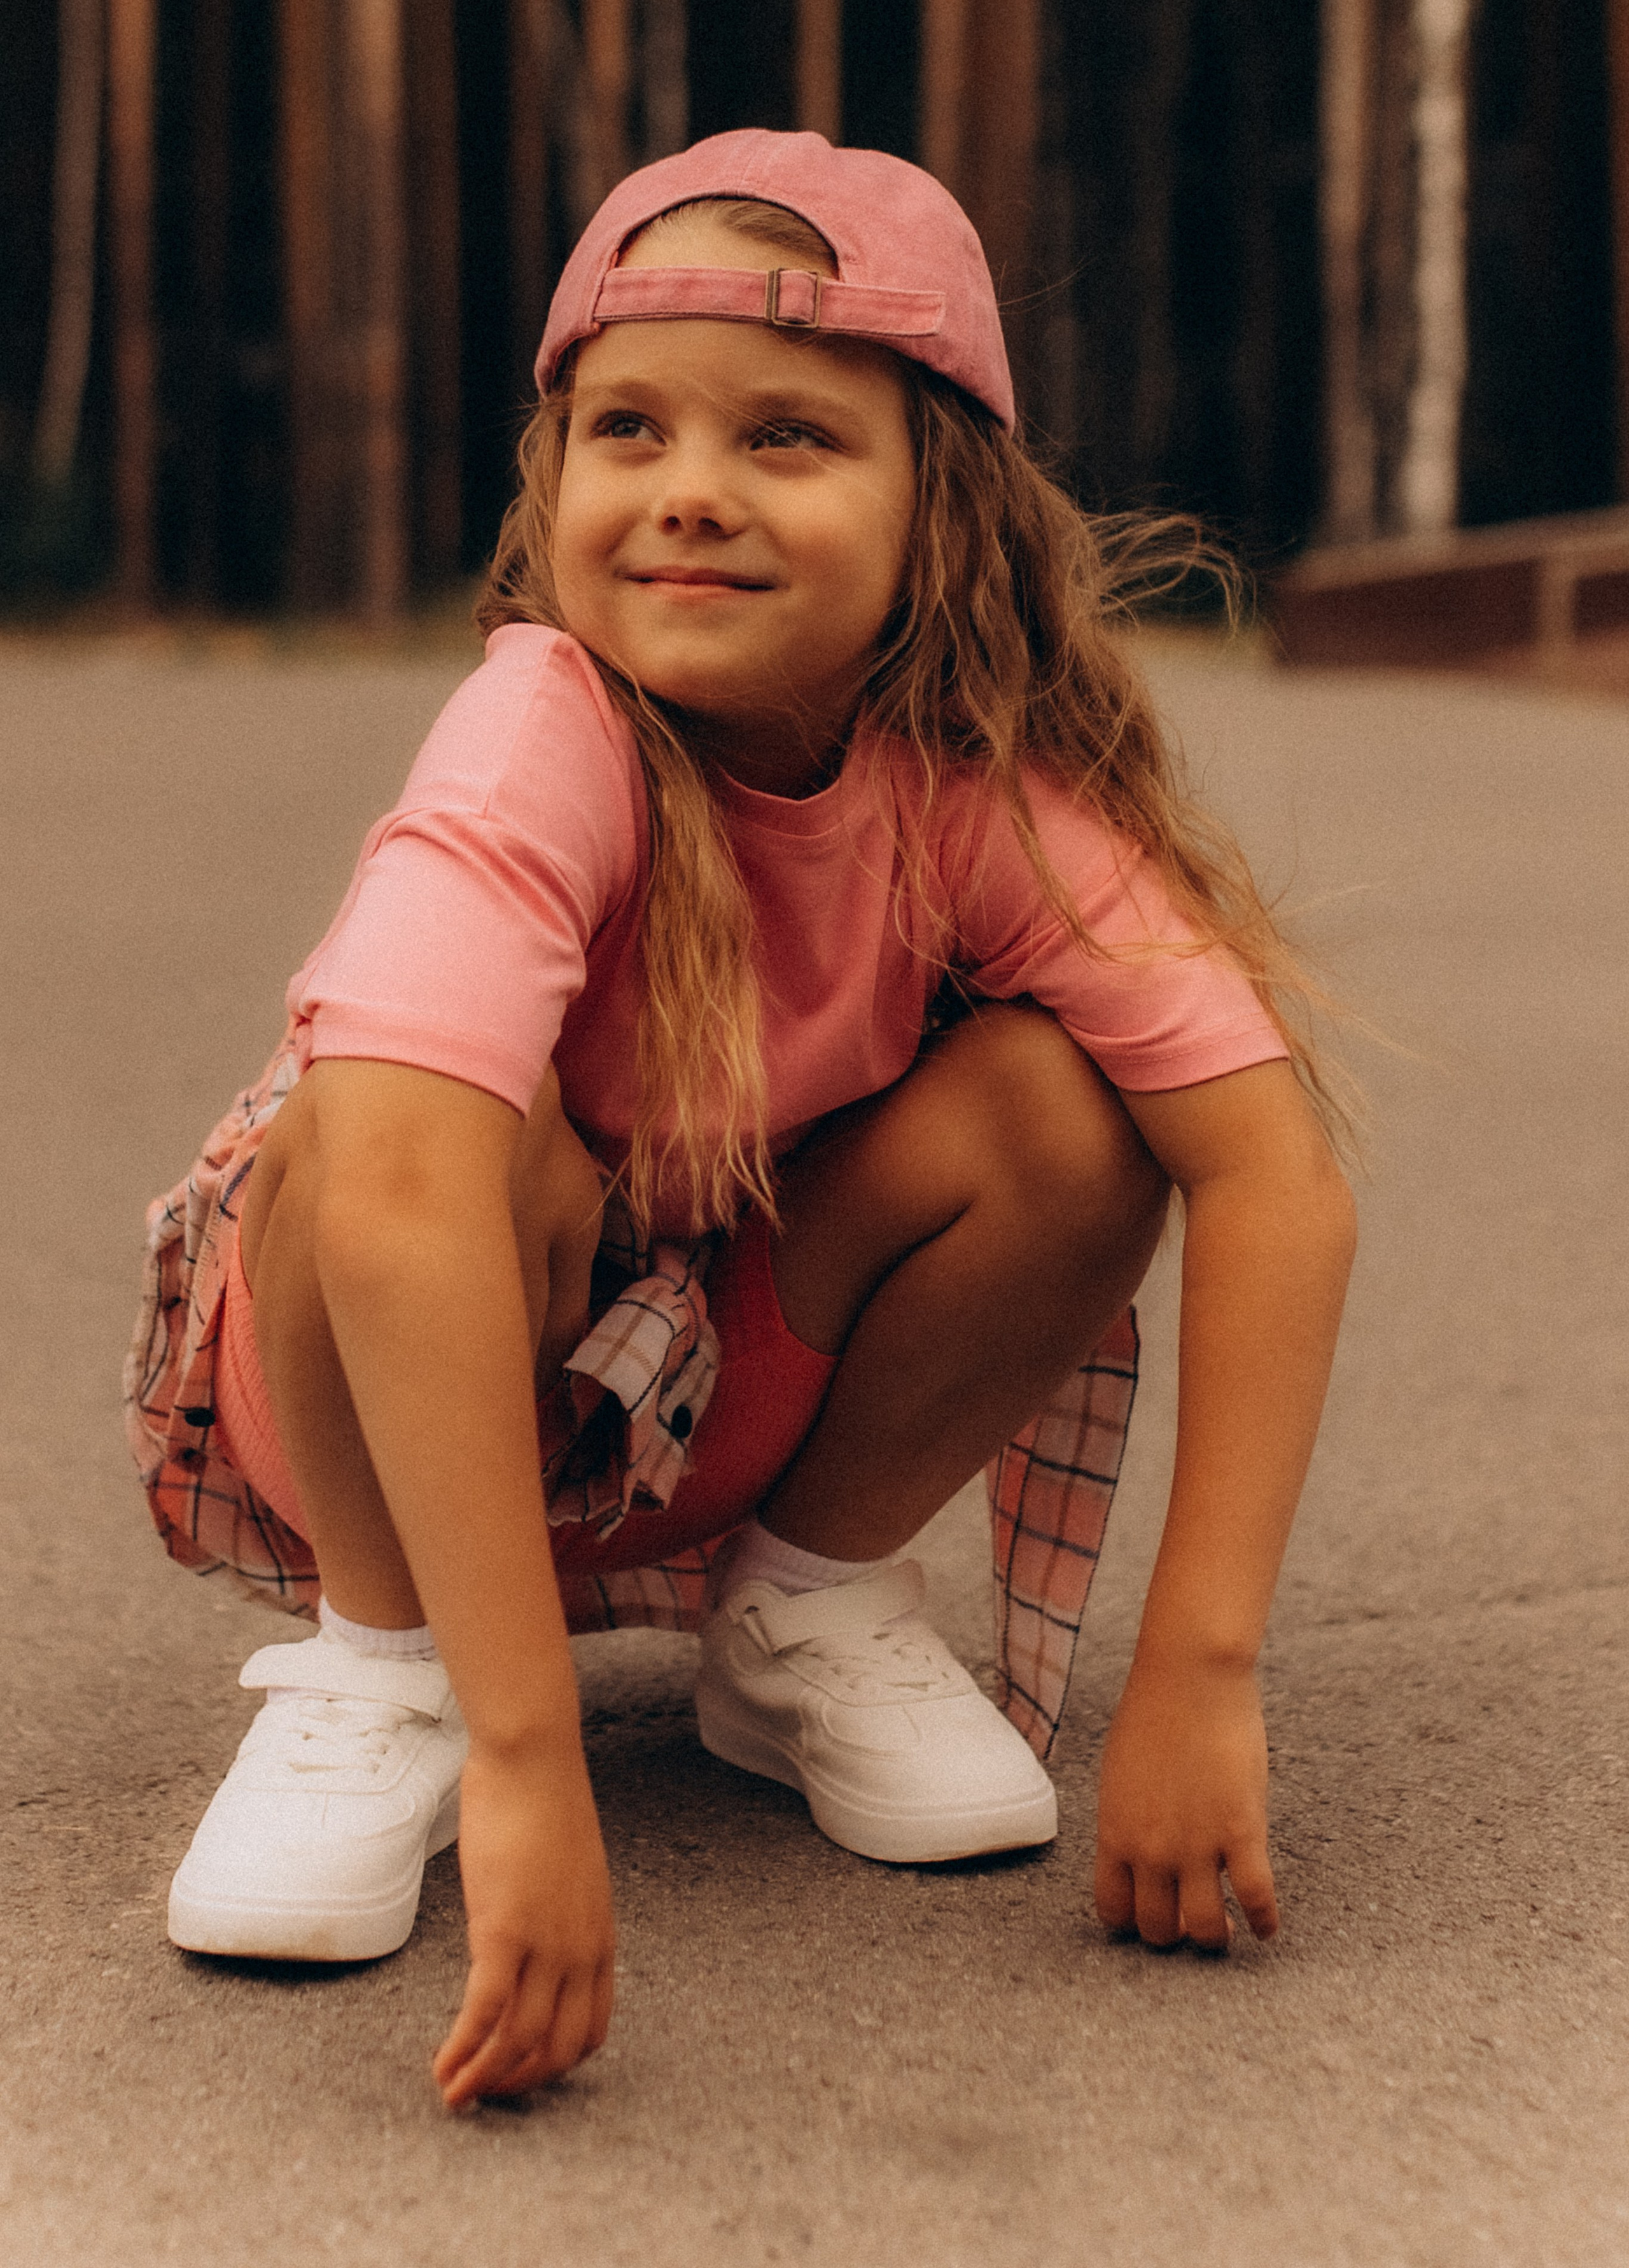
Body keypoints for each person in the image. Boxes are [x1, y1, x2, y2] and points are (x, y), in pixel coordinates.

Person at [125, 129, 1356, 2111]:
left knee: (1076, 1109)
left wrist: (1204, 1672)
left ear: (935, 506)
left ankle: (804, 1610)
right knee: (393, 1107)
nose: (689, 494)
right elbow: (408, 1197)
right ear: (554, 482)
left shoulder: (972, 782)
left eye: (787, 437)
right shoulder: (544, 724)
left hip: (707, 1393)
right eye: (630, 428)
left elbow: (1272, 1167)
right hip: (382, 1382)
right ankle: (391, 1671)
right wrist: (530, 1767)